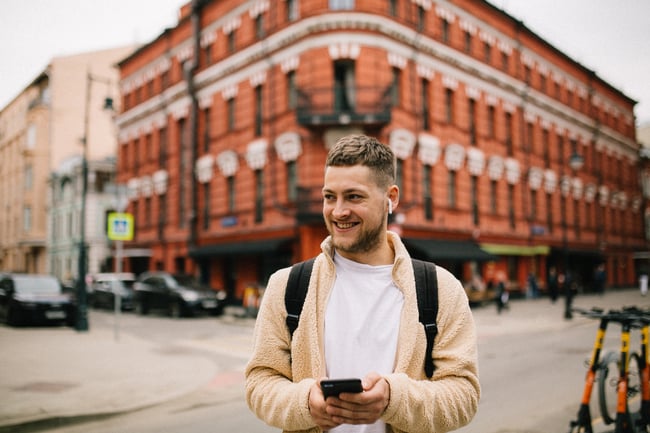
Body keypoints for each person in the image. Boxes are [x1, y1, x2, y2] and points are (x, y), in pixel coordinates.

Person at [245, 134, 480, 433]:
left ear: (390, 198)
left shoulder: (439, 288)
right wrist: (305, 402)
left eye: (354, 196)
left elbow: (464, 395)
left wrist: (393, 398)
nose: (338, 211)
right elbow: (259, 382)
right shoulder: (287, 285)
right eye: (330, 197)